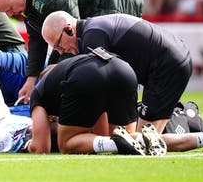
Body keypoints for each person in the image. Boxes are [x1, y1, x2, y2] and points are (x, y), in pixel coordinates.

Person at [0, 0, 144, 103]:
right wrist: (31, 80)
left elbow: (70, 39)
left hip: (117, 0)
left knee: (102, 59)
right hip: (99, 0)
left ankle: (128, 106)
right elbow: (37, 39)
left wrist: (51, 77)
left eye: (9, 8)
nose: (9, 15)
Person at [41, 11, 192, 142]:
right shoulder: (91, 30)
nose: (61, 52)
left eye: (59, 45)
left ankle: (200, 139)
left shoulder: (92, 36)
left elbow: (100, 88)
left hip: (166, 66)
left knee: (143, 140)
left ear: (69, 29)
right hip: (170, 61)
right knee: (143, 138)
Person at [26, 53, 167, 156]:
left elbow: (41, 148)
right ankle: (143, 139)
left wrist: (27, 145)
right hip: (123, 68)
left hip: (88, 75)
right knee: (124, 135)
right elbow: (103, 134)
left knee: (66, 144)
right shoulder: (66, 73)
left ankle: (117, 143)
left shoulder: (39, 94)